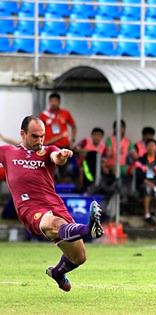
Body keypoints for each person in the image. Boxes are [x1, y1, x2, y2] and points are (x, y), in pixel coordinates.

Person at [0, 116, 104, 292]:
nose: (40, 141)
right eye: (35, 136)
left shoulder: (49, 151)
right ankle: (89, 228)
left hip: (55, 205)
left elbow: (57, 158)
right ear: (22, 134)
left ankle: (57, 273)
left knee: (79, 257)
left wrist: (62, 155)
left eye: (42, 136)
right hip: (29, 208)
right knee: (53, 223)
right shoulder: (7, 152)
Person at [39, 92, 77, 181]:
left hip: (63, 145)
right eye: (51, 101)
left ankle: (62, 189)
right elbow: (39, 129)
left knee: (63, 168)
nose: (53, 103)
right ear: (49, 102)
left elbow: (73, 126)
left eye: (55, 101)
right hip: (49, 146)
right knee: (49, 168)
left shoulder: (65, 113)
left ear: (59, 102)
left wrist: (73, 139)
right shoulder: (44, 114)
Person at [135, 139, 156, 225]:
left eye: (153, 145)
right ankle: (147, 215)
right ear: (146, 148)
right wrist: (149, 183)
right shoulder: (140, 160)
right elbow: (139, 175)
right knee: (147, 190)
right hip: (144, 182)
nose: (151, 147)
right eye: (149, 146)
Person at [76, 127, 107, 192]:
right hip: (83, 163)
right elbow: (76, 149)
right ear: (92, 135)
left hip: (97, 166)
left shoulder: (103, 147)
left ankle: (95, 186)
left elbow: (104, 160)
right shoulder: (85, 141)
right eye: (95, 135)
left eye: (99, 135)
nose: (97, 137)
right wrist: (88, 153)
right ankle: (84, 187)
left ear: (102, 137)